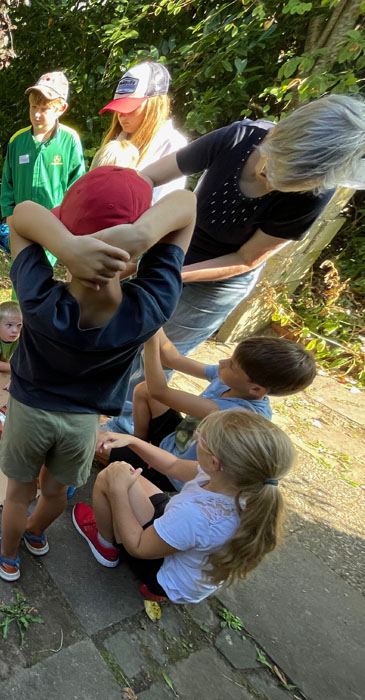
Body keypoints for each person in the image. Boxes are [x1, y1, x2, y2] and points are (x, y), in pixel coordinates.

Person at [0, 166, 197, 582]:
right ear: (135, 257)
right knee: (56, 491)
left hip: (29, 414)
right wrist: (138, 237)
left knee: (17, 494)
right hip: (81, 425)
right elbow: (186, 204)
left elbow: (20, 215)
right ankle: (37, 535)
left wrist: (67, 247)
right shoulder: (150, 307)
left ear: (67, 239)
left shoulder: (39, 298)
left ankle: (7, 556)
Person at [105, 93, 365, 434]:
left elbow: (246, 258)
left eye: (287, 184)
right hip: (172, 249)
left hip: (217, 282)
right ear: (280, 140)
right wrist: (132, 240)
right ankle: (95, 404)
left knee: (149, 362)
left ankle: (119, 434)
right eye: (272, 171)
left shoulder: (314, 192)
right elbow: (146, 179)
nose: (271, 184)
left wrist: (167, 276)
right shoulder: (240, 137)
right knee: (119, 332)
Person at [73, 410, 295, 603]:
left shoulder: (196, 516)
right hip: (185, 555)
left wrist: (118, 491)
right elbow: (173, 464)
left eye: (201, 438)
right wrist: (132, 441)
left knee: (110, 476)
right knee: (128, 473)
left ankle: (106, 546)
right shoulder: (240, 483)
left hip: (163, 574)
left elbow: (138, 547)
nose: (196, 434)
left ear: (215, 462)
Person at [97, 329, 315, 490]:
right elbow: (172, 358)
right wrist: (156, 318)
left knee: (93, 443)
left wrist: (149, 342)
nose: (222, 361)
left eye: (232, 364)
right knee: (142, 390)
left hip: (174, 471)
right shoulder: (232, 381)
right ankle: (138, 444)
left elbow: (160, 392)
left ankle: (139, 465)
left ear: (256, 388)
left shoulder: (236, 413)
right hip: (177, 439)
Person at [0, 71, 86, 267]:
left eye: (45, 108)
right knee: (22, 272)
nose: (37, 114)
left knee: (45, 275)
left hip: (54, 224)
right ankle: (17, 300)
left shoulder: (70, 141)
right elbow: (7, 182)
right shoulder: (17, 140)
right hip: (21, 223)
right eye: (33, 107)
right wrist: (10, 217)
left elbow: (78, 185)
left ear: (60, 108)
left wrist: (68, 220)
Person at [99, 62, 188, 203]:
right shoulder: (116, 141)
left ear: (154, 105)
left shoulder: (173, 144)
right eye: (119, 107)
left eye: (130, 107)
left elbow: (162, 207)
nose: (121, 114)